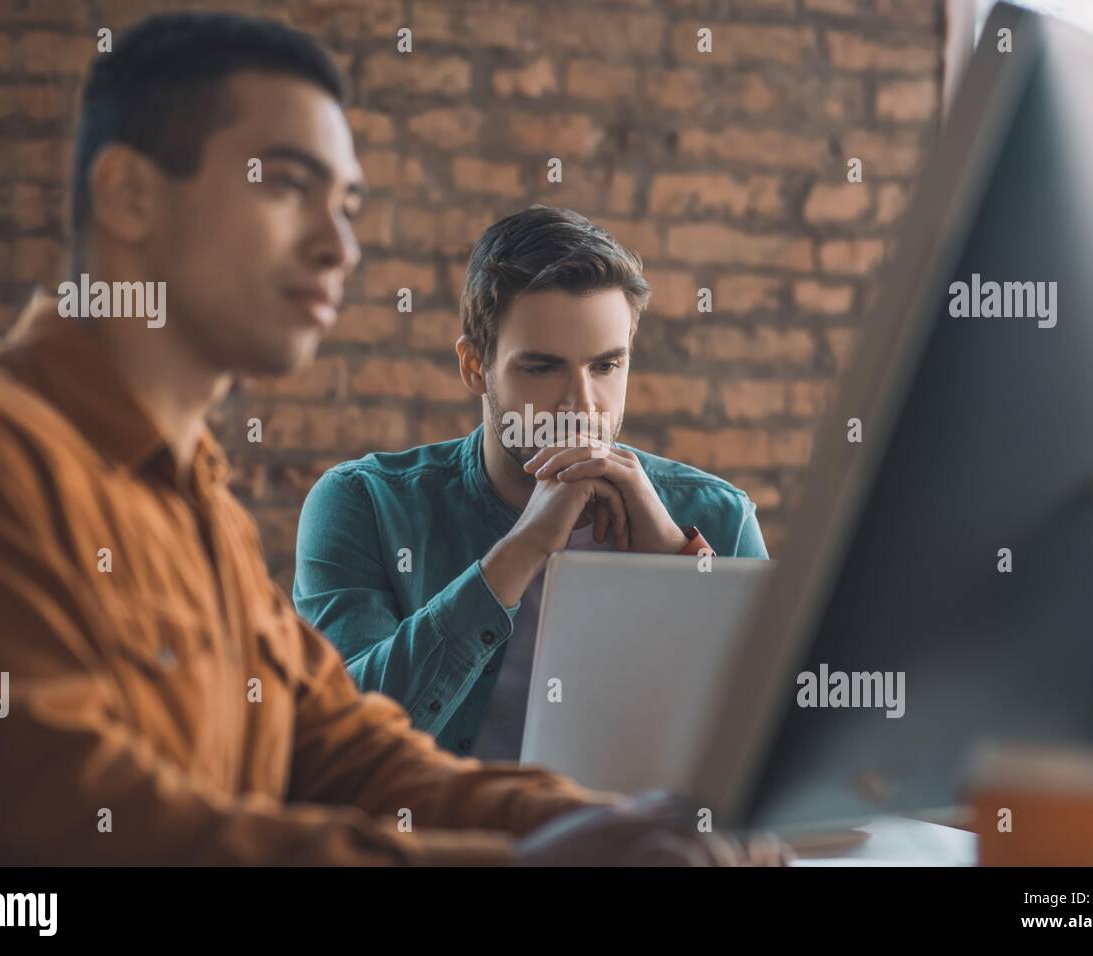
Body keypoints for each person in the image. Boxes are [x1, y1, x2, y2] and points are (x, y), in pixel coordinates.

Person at [0, 11, 784, 866]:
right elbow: (93, 829)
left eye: (348, 203)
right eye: (288, 184)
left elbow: (353, 759)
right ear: (130, 195)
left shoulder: (196, 502)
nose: (341, 246)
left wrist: (635, 833)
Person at [295, 205, 768, 761]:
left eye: (606, 366)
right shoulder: (363, 505)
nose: (581, 405)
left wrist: (675, 562)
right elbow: (344, 746)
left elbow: (770, 753)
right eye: (542, 368)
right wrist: (521, 551)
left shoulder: (718, 519)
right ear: (475, 366)